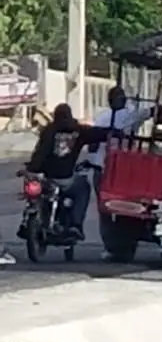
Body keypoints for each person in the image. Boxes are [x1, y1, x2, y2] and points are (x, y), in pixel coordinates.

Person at [23, 103, 105, 241]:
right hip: (65, 179)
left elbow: (39, 152)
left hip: (45, 177)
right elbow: (97, 133)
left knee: (32, 194)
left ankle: (26, 222)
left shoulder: (49, 130)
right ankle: (75, 225)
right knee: (83, 187)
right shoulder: (79, 131)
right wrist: (116, 132)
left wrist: (31, 168)